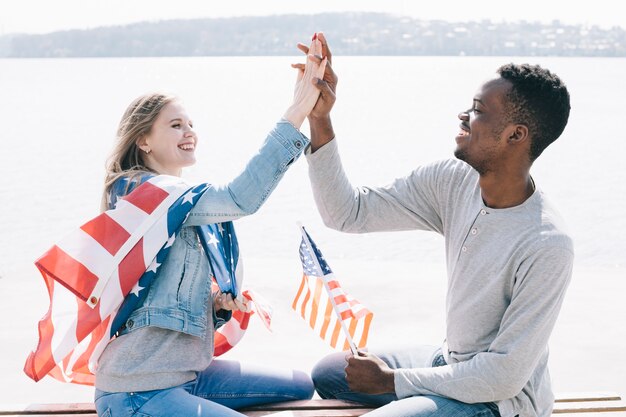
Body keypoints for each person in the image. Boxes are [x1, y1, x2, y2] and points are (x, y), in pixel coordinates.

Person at [300, 34, 573, 417]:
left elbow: (503, 376)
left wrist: (394, 381)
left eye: (478, 109)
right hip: (449, 361)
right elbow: (347, 212)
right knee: (331, 373)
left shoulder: (547, 243)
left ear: (516, 135)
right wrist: (320, 117)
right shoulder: (453, 180)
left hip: (500, 401)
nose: (464, 115)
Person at [93, 36, 327, 417]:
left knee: (301, 384)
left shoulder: (178, 204)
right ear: (144, 141)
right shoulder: (142, 193)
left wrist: (218, 307)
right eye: (175, 125)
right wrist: (298, 109)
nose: (189, 132)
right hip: (139, 389)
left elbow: (160, 297)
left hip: (187, 374)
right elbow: (239, 198)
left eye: (190, 123)